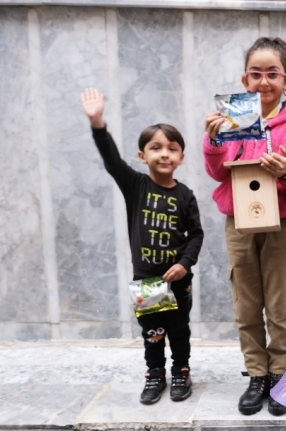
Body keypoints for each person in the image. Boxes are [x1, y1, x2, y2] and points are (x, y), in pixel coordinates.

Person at [202, 37, 286, 416]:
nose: (263, 81)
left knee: (278, 301)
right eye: (255, 73)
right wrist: (214, 140)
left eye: (272, 74)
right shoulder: (232, 117)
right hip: (238, 221)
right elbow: (217, 171)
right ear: (244, 78)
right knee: (246, 302)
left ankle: (280, 372)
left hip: (279, 222)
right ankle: (256, 373)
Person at [80, 87, 204, 405]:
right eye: (156, 148)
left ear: (181, 157)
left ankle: (181, 370)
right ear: (142, 156)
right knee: (152, 333)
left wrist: (185, 264)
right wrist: (97, 123)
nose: (164, 154)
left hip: (178, 281)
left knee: (179, 331)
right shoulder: (136, 186)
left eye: (172, 148)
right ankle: (155, 374)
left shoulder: (186, 195)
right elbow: (110, 159)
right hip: (147, 280)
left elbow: (196, 235)